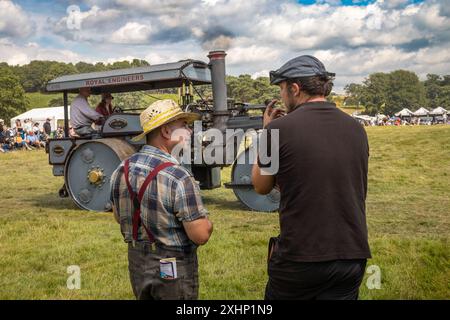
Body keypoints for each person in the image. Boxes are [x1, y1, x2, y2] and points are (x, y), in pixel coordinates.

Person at [253, 55, 371, 300]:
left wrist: (266, 132)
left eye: (283, 90)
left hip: (302, 255)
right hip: (351, 255)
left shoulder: (277, 130)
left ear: (295, 89)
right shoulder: (356, 128)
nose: (283, 97)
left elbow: (261, 186)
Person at [110, 99, 213, 300]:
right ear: (166, 132)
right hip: (173, 265)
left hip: (137, 261)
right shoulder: (178, 176)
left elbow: (118, 216)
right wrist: (208, 223)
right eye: (183, 125)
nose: (189, 131)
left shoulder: (121, 169)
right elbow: (200, 235)